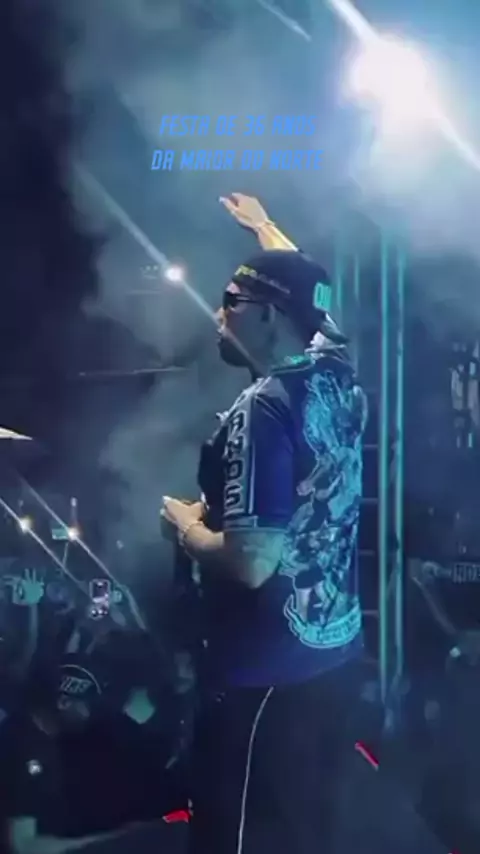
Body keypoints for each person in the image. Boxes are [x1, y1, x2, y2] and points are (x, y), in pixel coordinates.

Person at [161, 194, 368, 854]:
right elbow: (310, 296)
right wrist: (264, 228)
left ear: (269, 316)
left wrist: (185, 528)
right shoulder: (334, 369)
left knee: (239, 836)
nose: (218, 311)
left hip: (262, 676)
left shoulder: (264, 409)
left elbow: (252, 562)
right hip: (332, 658)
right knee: (310, 833)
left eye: (230, 299)